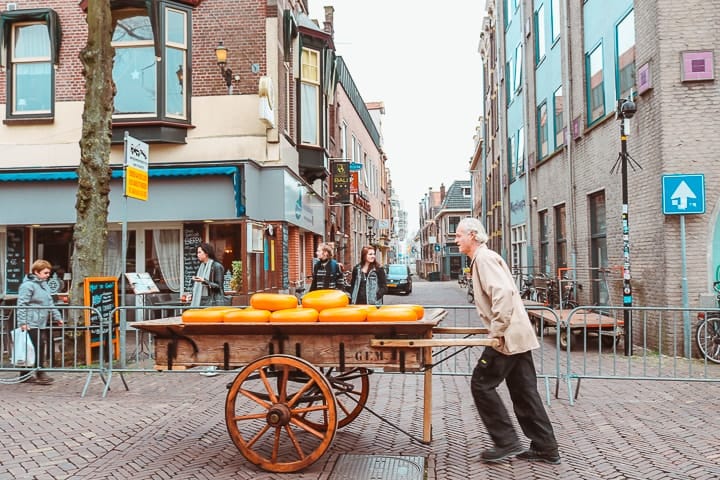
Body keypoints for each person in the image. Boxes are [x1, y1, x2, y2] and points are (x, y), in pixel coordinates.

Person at [455, 217, 560, 464]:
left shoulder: (484, 259)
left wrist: (496, 331)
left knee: (481, 384)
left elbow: (503, 294)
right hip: (517, 336)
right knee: (525, 392)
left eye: (459, 235)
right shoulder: (482, 258)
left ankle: (506, 442)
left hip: (507, 337)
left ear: (472, 235)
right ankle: (546, 447)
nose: (456, 240)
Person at [16, 259, 64, 385]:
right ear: (36, 272)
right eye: (45, 273)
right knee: (36, 346)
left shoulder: (44, 285)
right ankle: (39, 372)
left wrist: (57, 316)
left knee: (34, 346)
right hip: (31, 321)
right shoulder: (27, 286)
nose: (48, 275)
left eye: (48, 273)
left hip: (41, 320)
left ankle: (25, 374)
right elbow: (22, 304)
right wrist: (22, 322)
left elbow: (49, 302)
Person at [190, 242, 227, 307]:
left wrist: (204, 281)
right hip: (201, 300)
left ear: (206, 253)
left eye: (199, 252)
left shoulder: (217, 266)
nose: (197, 255)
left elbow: (219, 286)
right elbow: (198, 287)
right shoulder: (202, 267)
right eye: (197, 253)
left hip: (213, 301)